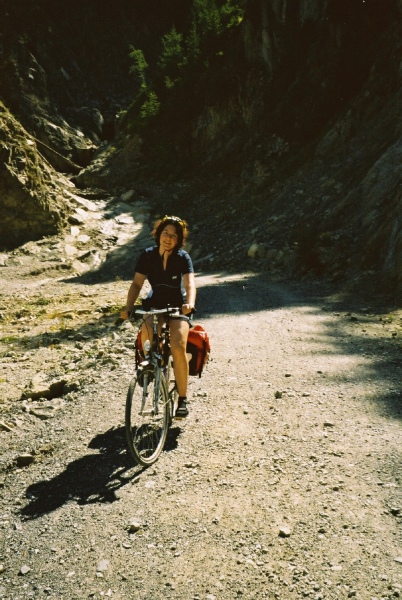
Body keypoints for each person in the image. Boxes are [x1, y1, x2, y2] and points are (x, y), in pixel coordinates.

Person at [120, 215, 196, 418]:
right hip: (154, 303)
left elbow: (189, 283)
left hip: (176, 305)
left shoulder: (182, 257)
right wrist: (128, 307)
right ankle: (152, 364)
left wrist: (190, 303)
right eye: (165, 233)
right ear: (158, 234)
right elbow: (137, 284)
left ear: (178, 239)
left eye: (173, 235)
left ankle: (182, 399)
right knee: (147, 329)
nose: (168, 238)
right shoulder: (147, 255)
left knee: (178, 346)